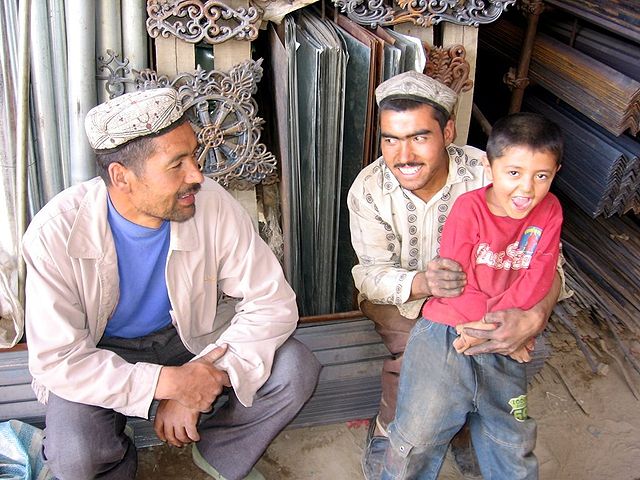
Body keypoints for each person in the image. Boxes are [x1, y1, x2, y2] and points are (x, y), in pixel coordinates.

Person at [22, 88, 320, 480]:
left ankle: (219, 452)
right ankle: (116, 453)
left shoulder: (210, 204)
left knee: (295, 369)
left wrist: (201, 379)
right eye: (176, 164)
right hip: (101, 351)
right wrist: (165, 384)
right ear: (121, 177)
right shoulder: (54, 234)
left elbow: (272, 302)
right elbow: (58, 359)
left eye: (194, 155)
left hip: (188, 339)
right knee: (75, 454)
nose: (197, 175)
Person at [347, 71, 565, 479]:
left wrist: (533, 318)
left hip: (485, 302)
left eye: (419, 137)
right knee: (424, 354)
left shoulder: (494, 172)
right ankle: (393, 430)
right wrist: (423, 284)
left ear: (447, 131)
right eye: (390, 139)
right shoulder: (369, 187)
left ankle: (460, 425)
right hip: (403, 299)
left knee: (474, 357)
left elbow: (550, 263)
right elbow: (369, 274)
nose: (403, 155)